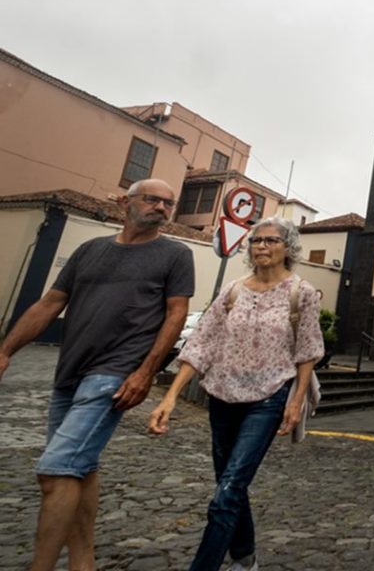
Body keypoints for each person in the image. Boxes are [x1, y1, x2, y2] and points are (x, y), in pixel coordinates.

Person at [0, 179, 194, 571]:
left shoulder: (175, 254)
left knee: (55, 471)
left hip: (114, 375)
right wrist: (5, 350)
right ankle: (82, 563)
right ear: (126, 202)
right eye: (152, 199)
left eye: (168, 203)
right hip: (69, 373)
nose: (161, 207)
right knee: (79, 470)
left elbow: (176, 316)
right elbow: (51, 303)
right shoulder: (89, 250)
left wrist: (144, 372)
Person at [149, 216, 323, 571]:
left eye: (271, 240)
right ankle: (245, 557)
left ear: (287, 247)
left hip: (270, 396)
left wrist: (296, 400)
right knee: (229, 484)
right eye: (256, 241)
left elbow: (307, 351)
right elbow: (201, 344)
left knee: (226, 492)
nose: (261, 246)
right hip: (222, 395)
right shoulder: (233, 290)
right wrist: (169, 397)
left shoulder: (301, 292)